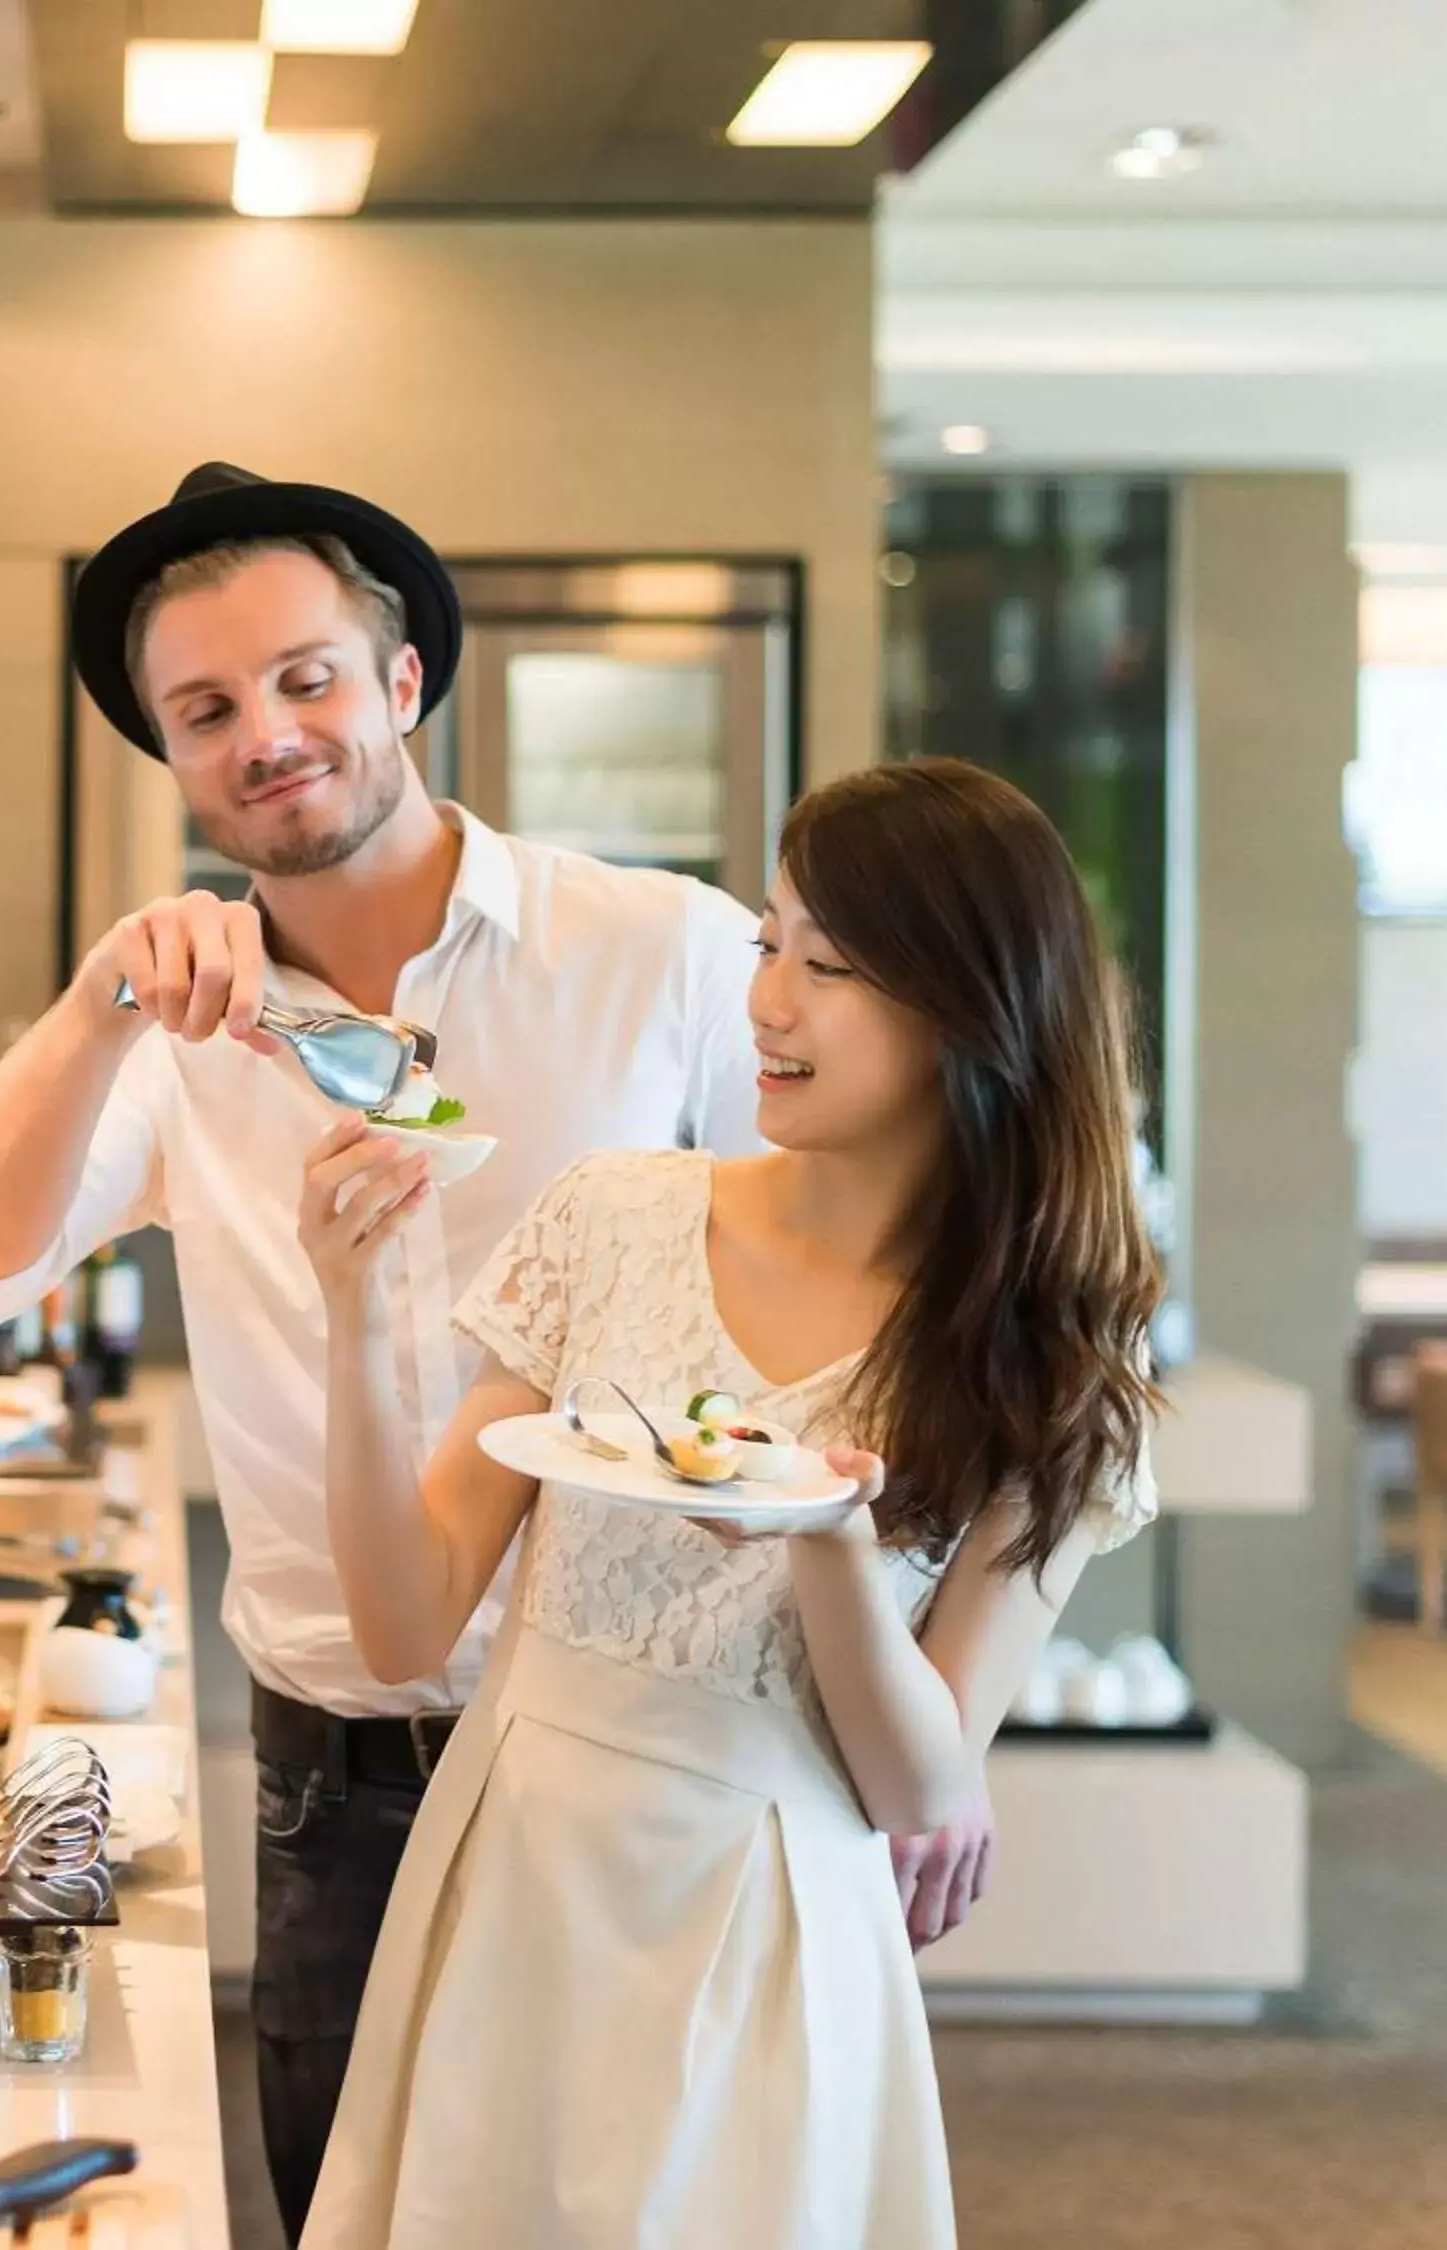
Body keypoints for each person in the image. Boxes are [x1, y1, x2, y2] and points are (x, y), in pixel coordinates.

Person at [0, 462, 995, 2238]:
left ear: (401, 684)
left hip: (682, 1779)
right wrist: (102, 1001)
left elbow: (870, 1282)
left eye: (307, 677)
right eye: (208, 709)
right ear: (171, 753)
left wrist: (936, 1698)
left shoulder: (668, 955)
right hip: (352, 1771)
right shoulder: (177, 1027)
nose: (268, 734)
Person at [293, 759, 1164, 2249]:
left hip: (771, 1923)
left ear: (975, 1011)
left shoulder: (1052, 1354)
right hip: (513, 1882)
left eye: (829, 966)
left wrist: (828, 1544)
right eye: (769, 944)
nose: (768, 1002)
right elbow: (401, 1620)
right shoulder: (617, 1210)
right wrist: (354, 1307)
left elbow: (921, 1783)